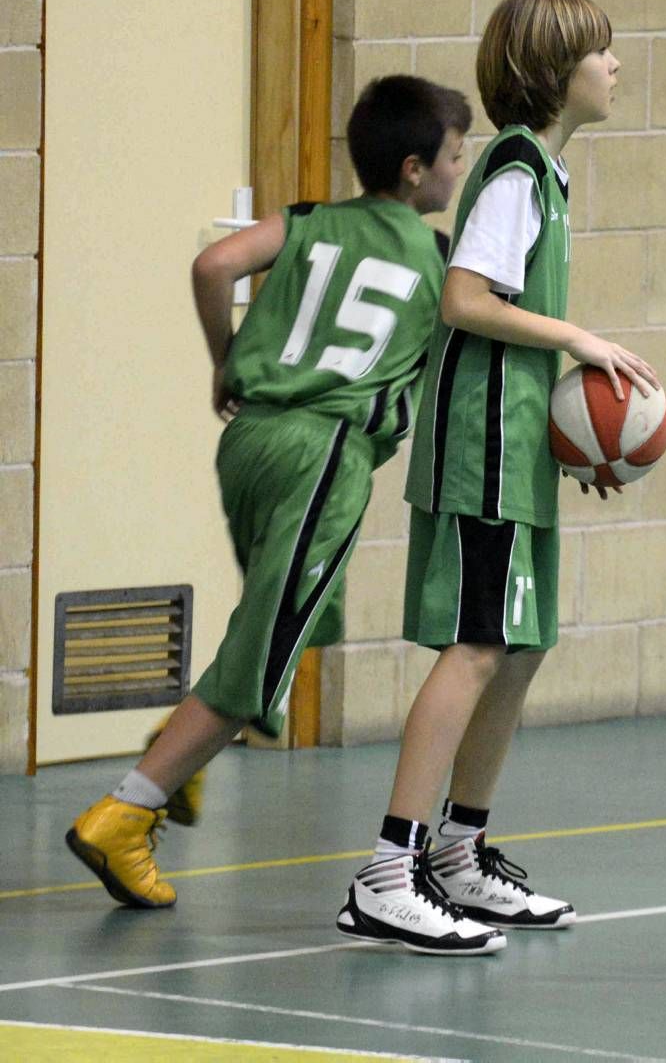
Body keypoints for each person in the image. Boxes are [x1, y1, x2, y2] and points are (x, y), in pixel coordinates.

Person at [65, 75, 490, 930]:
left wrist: (225, 357)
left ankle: (176, 753)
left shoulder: (307, 221)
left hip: (250, 440)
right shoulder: (435, 259)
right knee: (266, 652)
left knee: (295, 623)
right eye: (453, 156)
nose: (459, 168)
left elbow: (213, 263)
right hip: (322, 452)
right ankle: (126, 811)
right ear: (414, 172)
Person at [336, 0, 660, 956]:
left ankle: (458, 853)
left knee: (518, 646)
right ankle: (388, 871)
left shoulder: (546, 176)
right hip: (481, 446)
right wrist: (581, 341)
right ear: (558, 70)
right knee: (477, 645)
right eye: (600, 52)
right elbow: (466, 299)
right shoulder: (517, 168)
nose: (615, 66)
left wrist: (579, 435)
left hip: (516, 444)